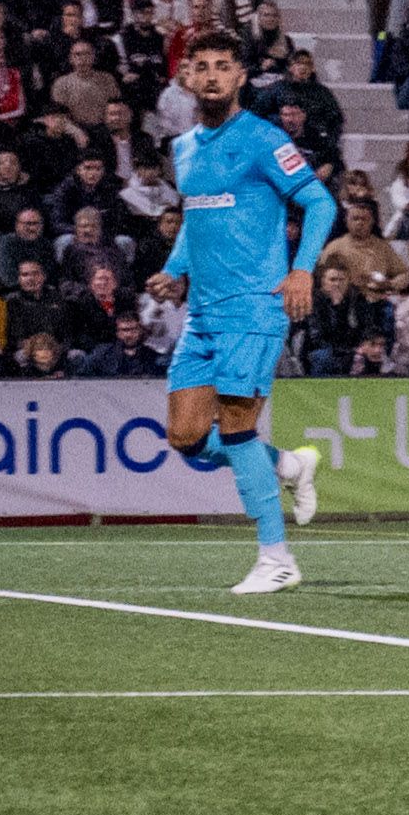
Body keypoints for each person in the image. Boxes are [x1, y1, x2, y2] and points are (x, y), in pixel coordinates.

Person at [149, 37, 335, 594]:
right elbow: (196, 218)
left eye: (222, 67)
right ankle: (287, 466)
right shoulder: (183, 147)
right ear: (185, 77)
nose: (211, 76)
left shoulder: (262, 138)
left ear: (240, 77)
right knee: (184, 437)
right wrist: (175, 267)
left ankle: (276, 558)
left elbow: (320, 202)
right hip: (203, 311)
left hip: (255, 305)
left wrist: (302, 271)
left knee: (236, 430)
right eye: (200, 67)